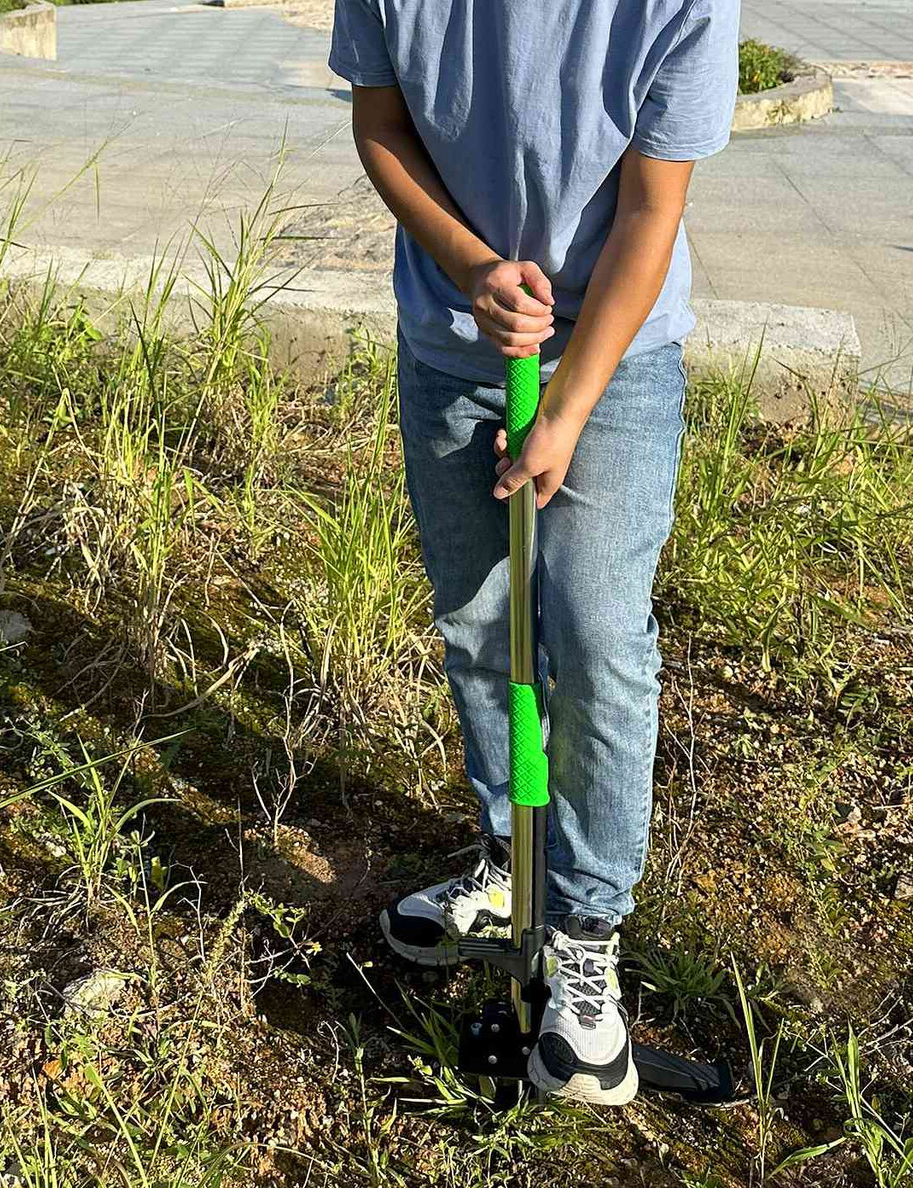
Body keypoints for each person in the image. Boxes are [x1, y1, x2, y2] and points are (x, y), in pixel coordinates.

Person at [329, 0, 739, 1105]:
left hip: (617, 352)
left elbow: (652, 211)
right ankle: (509, 867)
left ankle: (587, 926)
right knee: (477, 618)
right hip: (452, 345)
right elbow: (380, 126)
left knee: (598, 635)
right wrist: (468, 266)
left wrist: (567, 403)